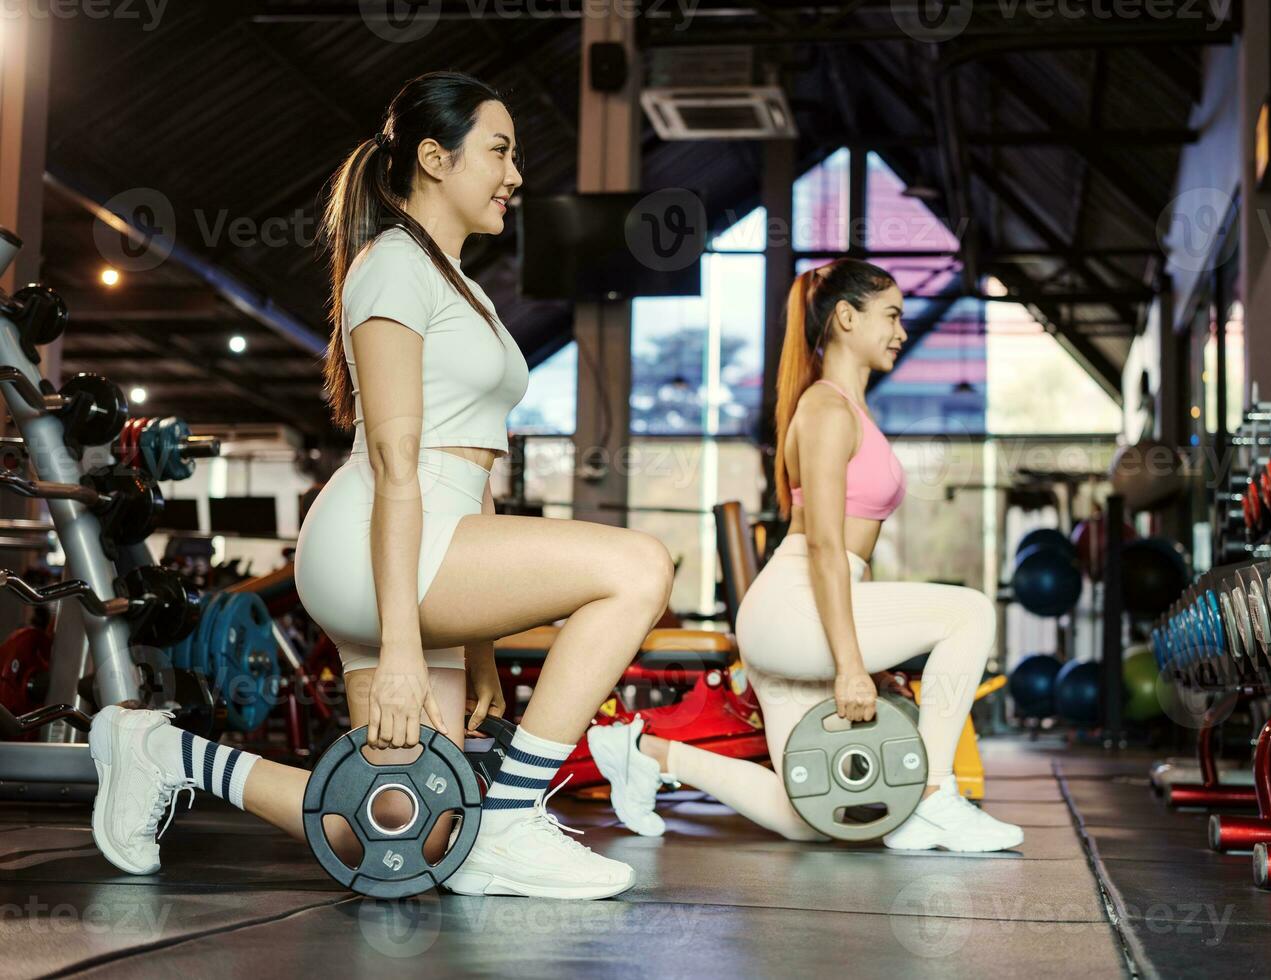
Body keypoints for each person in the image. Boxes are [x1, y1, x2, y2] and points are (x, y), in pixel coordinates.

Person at [86, 71, 674, 900]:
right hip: (385, 540)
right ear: (435, 158)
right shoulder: (393, 264)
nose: (515, 175)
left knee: (407, 834)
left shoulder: (460, 285)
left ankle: (162, 753)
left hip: (431, 546)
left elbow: (477, 480)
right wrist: (402, 646)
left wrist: (479, 652)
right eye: (500, 151)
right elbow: (399, 461)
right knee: (639, 566)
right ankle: (510, 821)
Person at [587, 260, 1023, 852]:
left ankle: (642, 752)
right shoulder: (825, 408)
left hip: (801, 613)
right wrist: (850, 663)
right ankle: (933, 797)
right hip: (795, 608)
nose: (901, 331)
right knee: (970, 612)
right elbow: (823, 543)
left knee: (809, 811)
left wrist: (869, 644)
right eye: (891, 315)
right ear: (846, 317)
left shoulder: (847, 408)